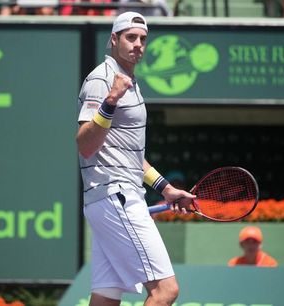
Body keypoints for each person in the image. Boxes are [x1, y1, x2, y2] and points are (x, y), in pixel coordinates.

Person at [76, 11, 195, 306]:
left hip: (111, 199)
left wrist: (165, 187)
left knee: (106, 297)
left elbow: (129, 154)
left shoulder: (130, 80)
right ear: (114, 40)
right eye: (130, 37)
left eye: (143, 39)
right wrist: (111, 101)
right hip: (115, 195)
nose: (138, 44)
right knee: (166, 291)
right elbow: (85, 145)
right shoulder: (101, 80)